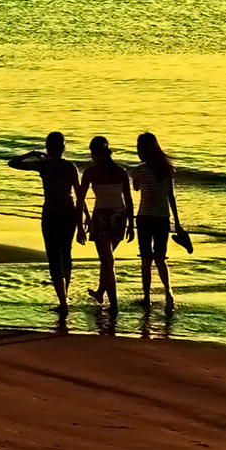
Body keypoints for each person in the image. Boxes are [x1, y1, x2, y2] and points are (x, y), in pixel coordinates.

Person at [7, 131, 83, 312]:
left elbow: (13, 163)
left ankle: (62, 301)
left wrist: (31, 154)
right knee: (66, 254)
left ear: (48, 148)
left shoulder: (44, 165)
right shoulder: (69, 166)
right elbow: (79, 194)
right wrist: (82, 219)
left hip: (51, 214)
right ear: (63, 148)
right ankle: (64, 295)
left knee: (54, 258)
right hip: (68, 214)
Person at [128, 131, 185, 314]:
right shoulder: (168, 169)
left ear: (143, 150)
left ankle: (147, 297)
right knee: (160, 258)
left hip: (145, 217)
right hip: (163, 218)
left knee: (146, 259)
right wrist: (177, 222)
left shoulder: (140, 170)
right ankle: (168, 292)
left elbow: (136, 188)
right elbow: (171, 197)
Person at [78, 136, 132, 308]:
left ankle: (114, 305)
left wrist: (79, 226)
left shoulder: (91, 172)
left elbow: (80, 200)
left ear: (94, 153)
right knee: (107, 260)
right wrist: (131, 224)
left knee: (107, 261)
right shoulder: (121, 171)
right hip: (119, 217)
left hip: (102, 217)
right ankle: (101, 293)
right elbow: (129, 200)